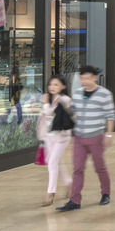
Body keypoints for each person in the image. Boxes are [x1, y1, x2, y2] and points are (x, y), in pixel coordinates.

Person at [57, 65, 115, 212]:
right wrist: (63, 105)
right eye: (82, 78)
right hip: (79, 137)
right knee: (77, 169)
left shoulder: (104, 94)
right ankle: (74, 200)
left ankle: (106, 193)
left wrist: (108, 134)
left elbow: (110, 115)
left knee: (99, 167)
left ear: (95, 78)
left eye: (88, 78)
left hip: (96, 137)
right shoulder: (77, 93)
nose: (85, 81)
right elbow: (74, 112)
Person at [37, 75, 73, 207]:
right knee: (53, 162)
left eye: (56, 85)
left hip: (61, 137)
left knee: (52, 162)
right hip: (48, 136)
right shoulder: (49, 98)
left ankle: (50, 193)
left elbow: (51, 113)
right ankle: (69, 183)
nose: (52, 87)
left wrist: (45, 103)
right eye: (51, 84)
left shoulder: (64, 99)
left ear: (63, 86)